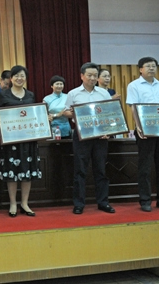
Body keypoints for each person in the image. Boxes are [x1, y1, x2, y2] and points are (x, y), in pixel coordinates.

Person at [126, 56, 159, 212]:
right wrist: (139, 127)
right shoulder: (134, 85)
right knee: (145, 166)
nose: (151, 68)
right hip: (145, 131)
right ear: (140, 69)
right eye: (148, 66)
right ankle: (145, 200)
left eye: (154, 66)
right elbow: (133, 107)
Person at [64, 62, 115, 215]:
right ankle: (79, 204)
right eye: (89, 75)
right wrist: (75, 113)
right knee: (80, 170)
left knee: (101, 170)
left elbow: (111, 113)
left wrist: (109, 131)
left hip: (100, 135)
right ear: (82, 76)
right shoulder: (73, 93)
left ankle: (103, 202)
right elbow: (66, 112)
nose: (92, 78)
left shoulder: (103, 93)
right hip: (81, 135)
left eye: (95, 75)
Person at [0, 65, 42, 217]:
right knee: (12, 172)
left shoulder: (30, 95)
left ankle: (25, 203)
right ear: (11, 78)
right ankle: (13, 203)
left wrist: (44, 119)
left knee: (26, 171)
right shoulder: (4, 95)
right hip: (11, 141)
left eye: (22, 75)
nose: (19, 78)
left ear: (26, 78)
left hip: (28, 139)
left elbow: (34, 114)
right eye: (16, 75)